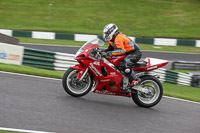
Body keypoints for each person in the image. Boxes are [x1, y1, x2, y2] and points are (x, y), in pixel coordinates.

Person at [101, 23, 142, 93]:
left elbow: (121, 51)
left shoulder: (118, 38)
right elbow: (109, 50)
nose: (106, 35)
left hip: (135, 53)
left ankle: (136, 79)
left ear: (112, 32)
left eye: (107, 34)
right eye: (105, 34)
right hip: (128, 53)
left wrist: (109, 53)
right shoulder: (112, 40)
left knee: (122, 64)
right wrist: (98, 50)